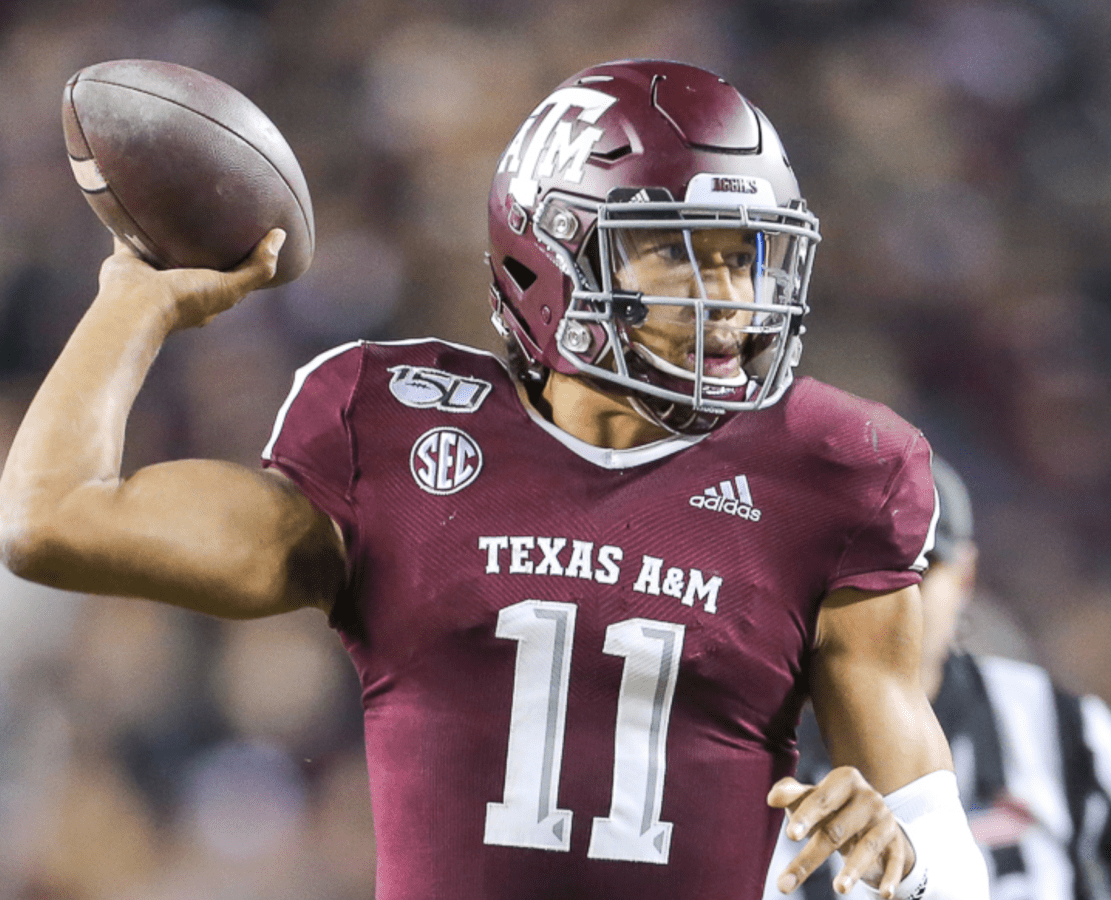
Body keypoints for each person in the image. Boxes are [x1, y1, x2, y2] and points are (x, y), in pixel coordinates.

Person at [0, 60, 987, 899]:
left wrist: (904, 867)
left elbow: (937, 840)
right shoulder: (393, 425)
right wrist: (135, 298)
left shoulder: (833, 469)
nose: (728, 302)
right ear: (550, 252)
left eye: (745, 258)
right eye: (680, 258)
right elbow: (53, 520)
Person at [763, 457, 1111, 900]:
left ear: (965, 578)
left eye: (921, 569)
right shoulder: (747, 744)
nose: (890, 598)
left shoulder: (1070, 733)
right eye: (859, 573)